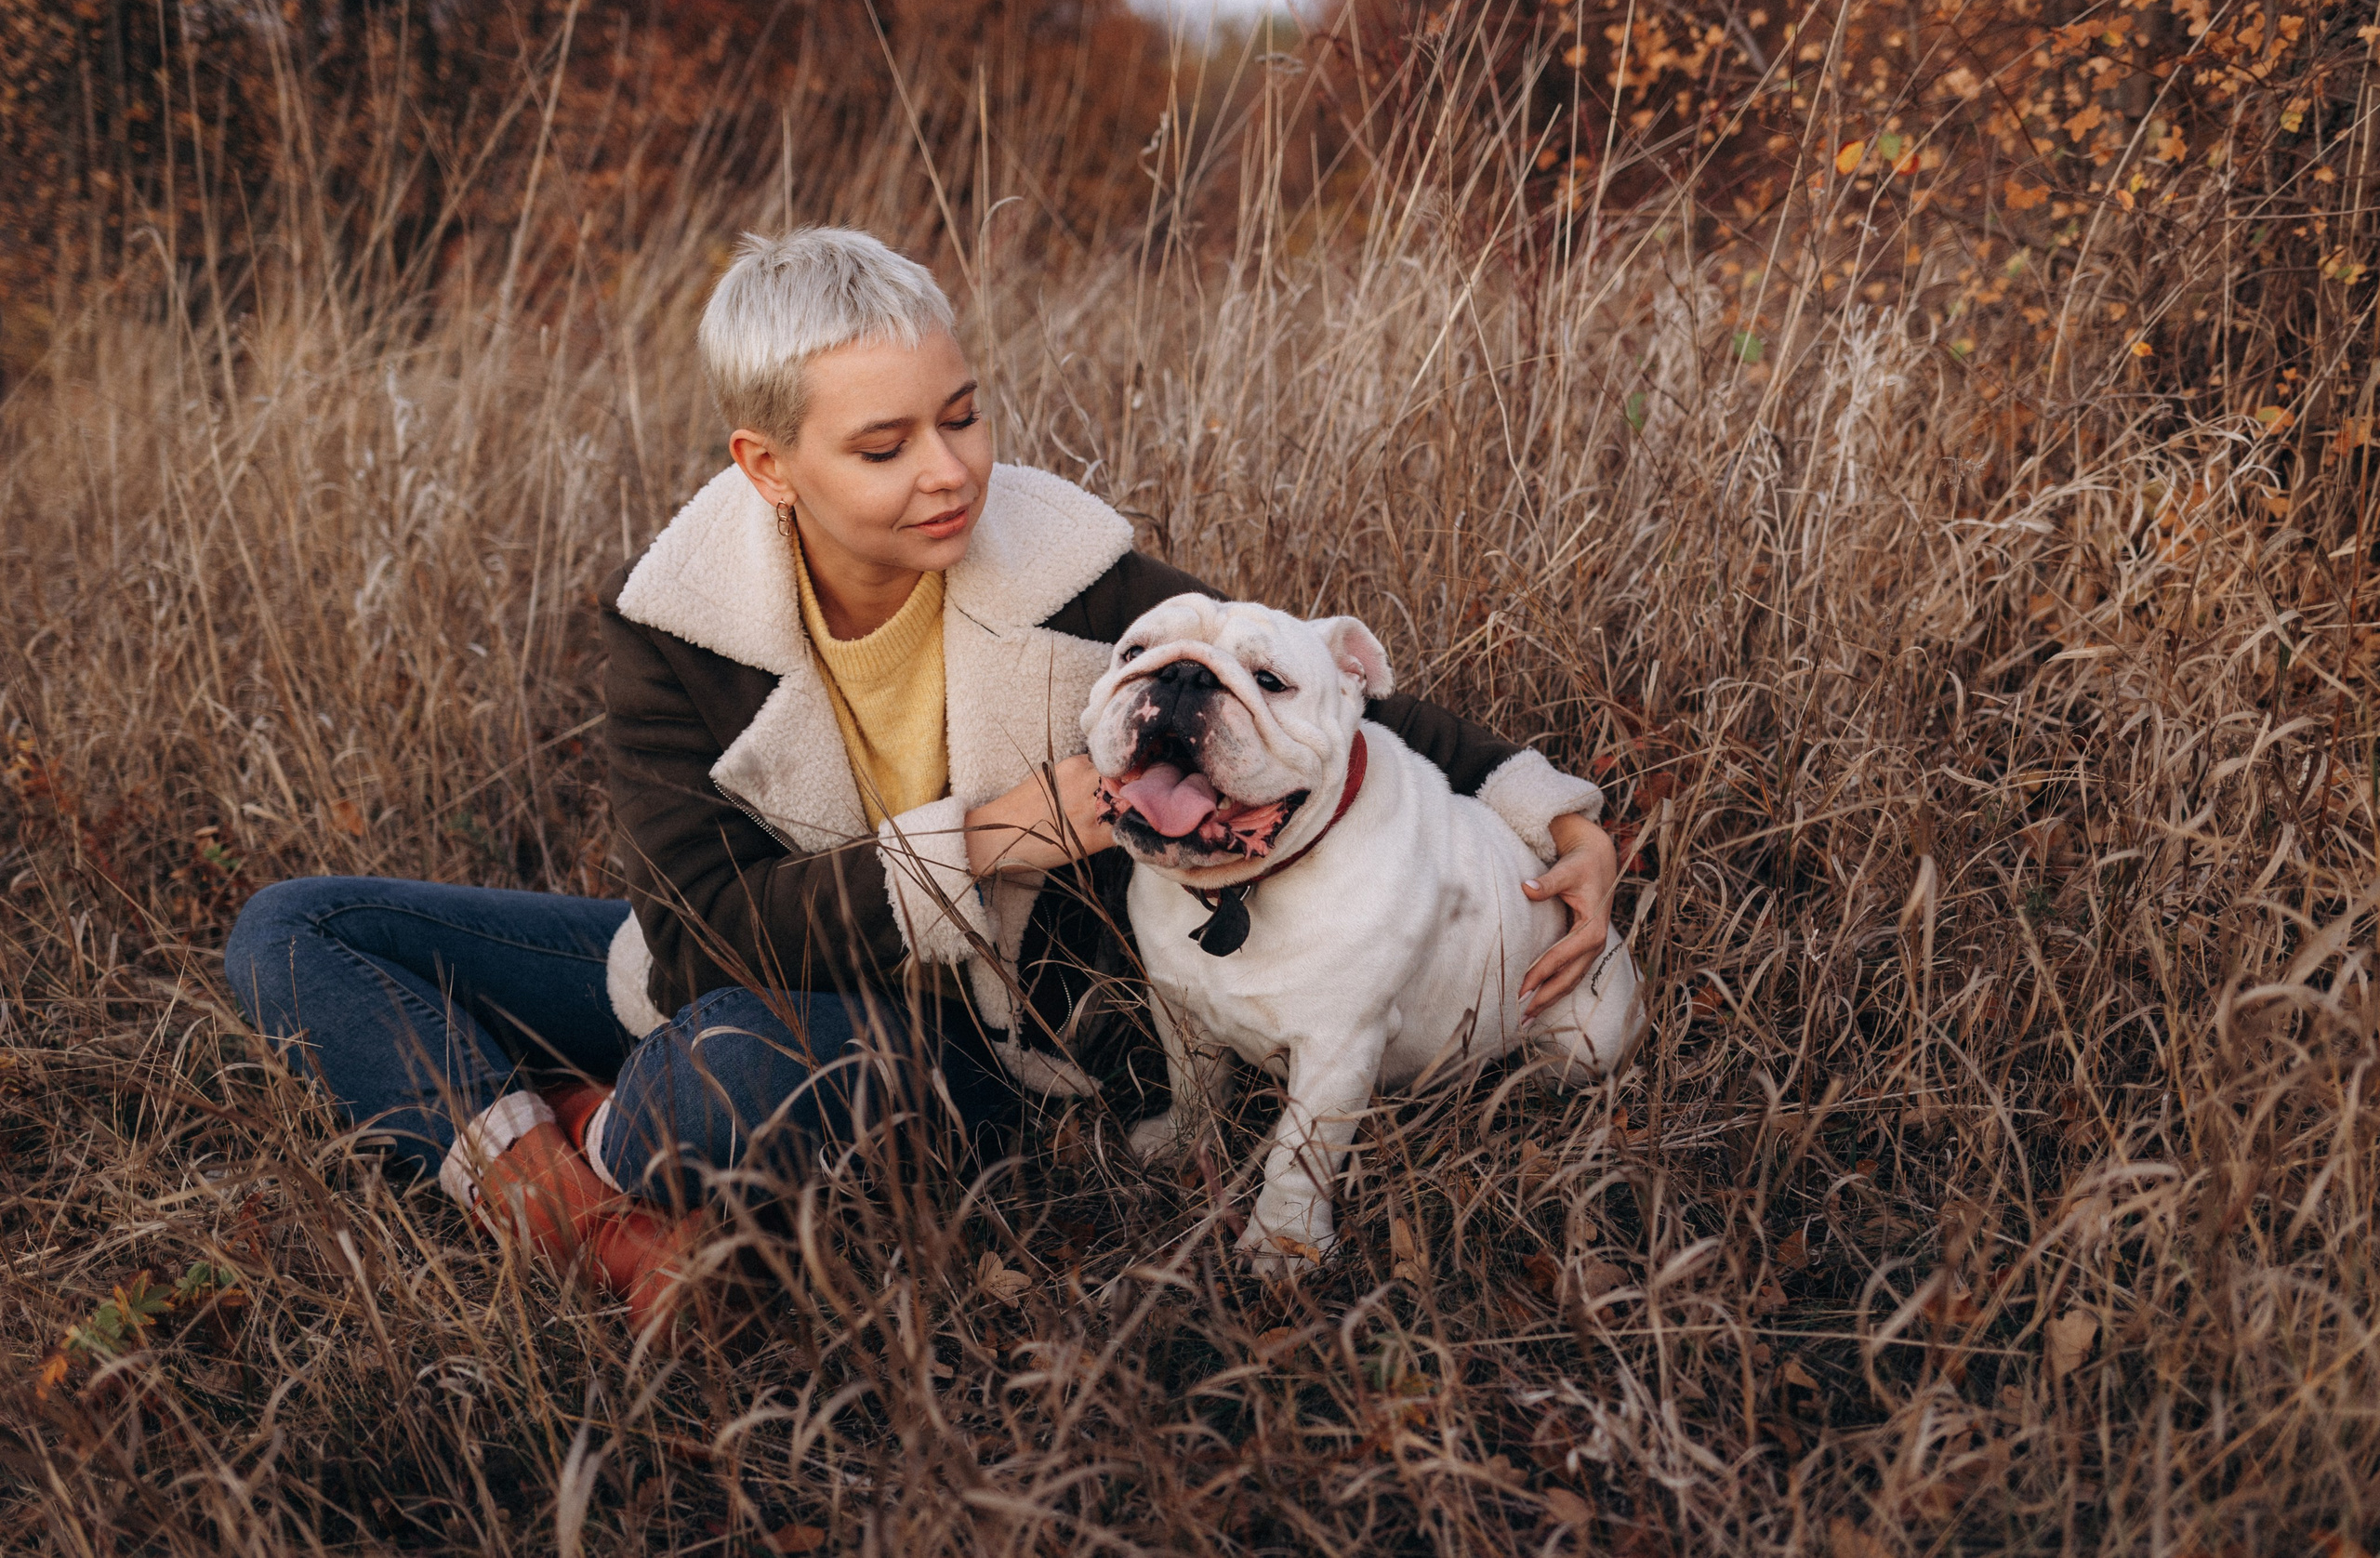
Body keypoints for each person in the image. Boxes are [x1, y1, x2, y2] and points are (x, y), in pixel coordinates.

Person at [223, 228, 1621, 1332]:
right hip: (731, 966)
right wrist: (991, 835)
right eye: (885, 447)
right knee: (294, 930)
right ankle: (589, 1216)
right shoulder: (675, 631)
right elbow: (701, 936)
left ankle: (575, 1121)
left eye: (963, 416)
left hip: (962, 1036)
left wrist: (1549, 811)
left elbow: (1299, 695)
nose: (951, 473)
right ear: (767, 466)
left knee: (712, 1084)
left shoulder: (1068, 570)